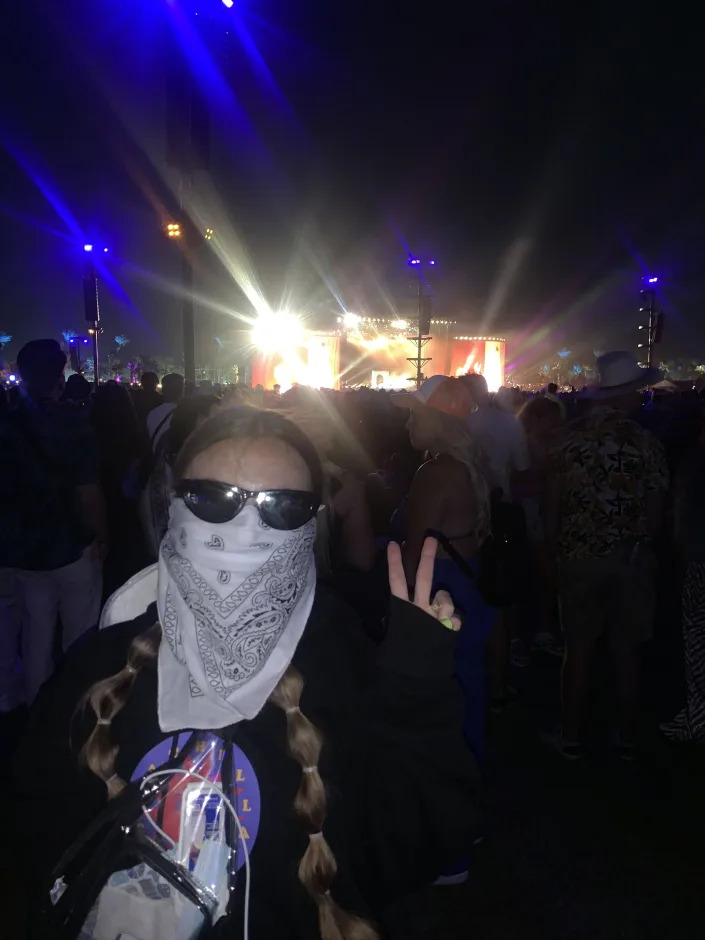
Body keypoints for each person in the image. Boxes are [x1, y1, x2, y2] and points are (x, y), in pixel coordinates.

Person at [16, 406, 480, 939]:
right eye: (213, 499)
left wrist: (418, 687)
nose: (246, 527)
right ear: (173, 507)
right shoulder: (96, 670)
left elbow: (412, 846)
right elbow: (42, 840)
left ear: (312, 522)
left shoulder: (342, 661)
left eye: (283, 507)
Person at [544, 351, 668, 759]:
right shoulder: (647, 443)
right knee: (625, 649)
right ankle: (627, 736)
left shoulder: (571, 440)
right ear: (626, 396)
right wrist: (640, 542)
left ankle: (571, 735)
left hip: (579, 554)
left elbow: (553, 502)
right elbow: (655, 506)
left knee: (577, 648)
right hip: (629, 558)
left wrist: (550, 544)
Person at [392, 377, 494, 759]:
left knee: (440, 684)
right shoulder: (467, 465)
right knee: (467, 679)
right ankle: (469, 767)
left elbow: (414, 549)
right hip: (469, 577)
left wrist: (397, 612)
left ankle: (447, 776)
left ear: (440, 419)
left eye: (416, 415)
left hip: (439, 586)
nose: (408, 424)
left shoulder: (434, 474)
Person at [0, 339, 107, 703]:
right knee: (79, 630)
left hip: (25, 546)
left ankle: (36, 711)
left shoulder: (7, 424)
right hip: (71, 541)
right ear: (60, 374)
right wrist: (100, 536)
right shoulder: (73, 422)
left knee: (35, 632)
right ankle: (72, 709)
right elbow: (88, 491)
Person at [660, 437, 705, 743]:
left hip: (699, 559)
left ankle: (698, 720)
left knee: (697, 639)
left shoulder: (695, 460)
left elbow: (682, 511)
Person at [460, 372, 529, 500]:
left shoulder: (452, 423)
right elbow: (522, 467)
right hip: (499, 499)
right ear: (486, 393)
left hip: (460, 502)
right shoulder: (511, 422)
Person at [146, 372, 184, 454]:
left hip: (157, 462)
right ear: (182, 391)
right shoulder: (184, 415)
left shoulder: (152, 414)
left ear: (162, 390)